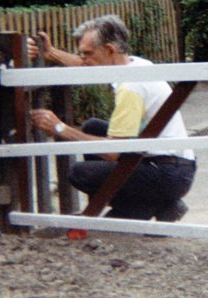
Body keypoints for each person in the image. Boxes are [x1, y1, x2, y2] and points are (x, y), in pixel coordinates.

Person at [28, 15, 196, 222]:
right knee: (93, 127)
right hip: (174, 166)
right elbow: (86, 66)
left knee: (81, 173)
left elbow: (112, 152)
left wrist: (60, 129)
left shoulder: (130, 88)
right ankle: (153, 206)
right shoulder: (135, 64)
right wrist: (51, 53)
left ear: (109, 50)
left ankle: (142, 208)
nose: (83, 60)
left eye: (87, 54)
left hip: (167, 172)